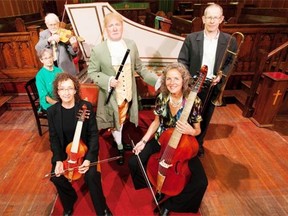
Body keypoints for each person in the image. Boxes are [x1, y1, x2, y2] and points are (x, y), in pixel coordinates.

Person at [128, 62, 208, 215]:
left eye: (176, 79)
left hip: (183, 147)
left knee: (201, 182)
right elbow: (156, 122)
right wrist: (143, 141)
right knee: (134, 162)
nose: (172, 83)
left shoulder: (194, 101)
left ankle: (171, 205)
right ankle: (155, 186)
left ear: (184, 80)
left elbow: (198, 130)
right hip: (163, 140)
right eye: (168, 79)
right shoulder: (162, 98)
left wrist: (191, 130)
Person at [87, 12, 159, 165]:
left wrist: (158, 80)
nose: (114, 28)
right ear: (106, 29)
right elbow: (92, 73)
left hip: (128, 93)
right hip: (112, 95)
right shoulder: (98, 50)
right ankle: (119, 145)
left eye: (117, 25)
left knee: (123, 119)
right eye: (110, 25)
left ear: (122, 26)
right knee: (116, 121)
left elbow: (140, 68)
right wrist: (108, 80)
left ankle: (118, 139)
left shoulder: (131, 44)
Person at [47, 73, 112, 216]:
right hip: (66, 152)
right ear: (57, 91)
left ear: (75, 90)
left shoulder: (85, 107)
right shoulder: (52, 112)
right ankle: (69, 200)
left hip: (86, 151)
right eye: (62, 89)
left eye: (70, 88)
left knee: (91, 176)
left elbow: (93, 135)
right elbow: (54, 139)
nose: (66, 92)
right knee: (56, 177)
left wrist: (88, 159)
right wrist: (58, 160)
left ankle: (103, 209)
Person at [178, 3, 237, 157]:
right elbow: (182, 61)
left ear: (221, 19)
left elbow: (231, 62)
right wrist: (189, 80)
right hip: (194, 85)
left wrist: (221, 75)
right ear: (203, 19)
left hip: (213, 85)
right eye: (209, 17)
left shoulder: (230, 40)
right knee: (189, 114)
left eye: (215, 17)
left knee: (205, 116)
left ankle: (198, 144)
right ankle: (185, 142)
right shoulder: (191, 38)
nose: (212, 21)